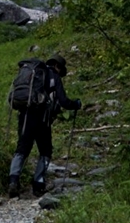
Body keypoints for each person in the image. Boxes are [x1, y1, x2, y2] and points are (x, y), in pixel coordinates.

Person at [8, 54, 82, 198]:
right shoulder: (54, 76)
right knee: (45, 151)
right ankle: (38, 185)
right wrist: (76, 104)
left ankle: (13, 181)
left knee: (22, 149)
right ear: (58, 66)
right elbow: (63, 101)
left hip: (25, 115)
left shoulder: (33, 73)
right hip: (42, 119)